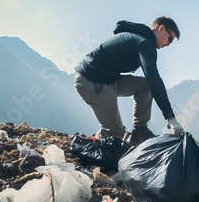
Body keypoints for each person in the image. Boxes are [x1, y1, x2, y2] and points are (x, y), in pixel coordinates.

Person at [74, 15, 184, 145]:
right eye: (170, 39)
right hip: (91, 81)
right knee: (114, 134)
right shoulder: (144, 42)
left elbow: (150, 83)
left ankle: (140, 131)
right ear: (161, 28)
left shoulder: (138, 37)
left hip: (108, 80)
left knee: (145, 86)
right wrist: (171, 118)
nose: (168, 44)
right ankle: (91, 145)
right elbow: (153, 79)